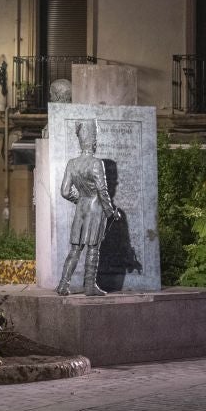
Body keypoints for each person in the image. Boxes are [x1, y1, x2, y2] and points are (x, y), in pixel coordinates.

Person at [56, 120, 121, 297]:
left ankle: (63, 284)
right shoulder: (96, 163)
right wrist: (110, 211)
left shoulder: (72, 163)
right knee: (93, 248)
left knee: (75, 248)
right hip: (95, 209)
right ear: (93, 143)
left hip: (82, 208)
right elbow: (102, 190)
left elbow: (64, 191)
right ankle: (89, 285)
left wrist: (79, 200)